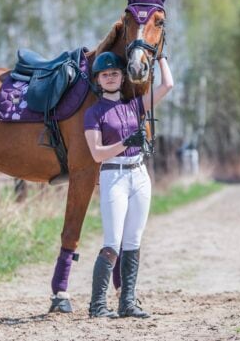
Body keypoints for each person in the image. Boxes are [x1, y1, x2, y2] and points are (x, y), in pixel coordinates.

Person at [83, 51, 174, 318]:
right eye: (105, 74)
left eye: (115, 73)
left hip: (139, 174)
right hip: (114, 176)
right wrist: (126, 143)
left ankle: (127, 302)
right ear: (98, 80)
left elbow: (168, 85)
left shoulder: (135, 105)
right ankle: (97, 305)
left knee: (133, 241)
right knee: (112, 242)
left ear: (123, 77)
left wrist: (160, 57)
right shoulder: (93, 113)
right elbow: (97, 153)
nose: (110, 77)